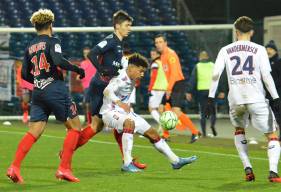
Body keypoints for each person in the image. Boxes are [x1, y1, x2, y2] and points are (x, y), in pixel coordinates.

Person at [6, 9, 85, 183]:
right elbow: (58, 60)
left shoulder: (30, 47)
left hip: (38, 92)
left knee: (34, 131)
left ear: (36, 27)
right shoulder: (53, 41)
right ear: (50, 25)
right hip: (55, 89)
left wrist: (39, 80)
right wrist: (77, 69)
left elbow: (25, 74)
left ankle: (14, 167)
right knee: (75, 127)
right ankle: (64, 168)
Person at [206, 16, 281, 182]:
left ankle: (248, 168)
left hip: (236, 100)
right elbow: (266, 76)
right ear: (252, 32)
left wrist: (210, 98)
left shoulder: (225, 50)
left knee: (239, 131)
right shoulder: (260, 49)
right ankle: (273, 172)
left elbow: (216, 74)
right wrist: (276, 98)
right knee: (272, 135)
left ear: (236, 31)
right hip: (256, 99)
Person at [71, 10, 146, 169]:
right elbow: (92, 53)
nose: (129, 28)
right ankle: (67, 151)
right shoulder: (111, 40)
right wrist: (101, 69)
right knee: (96, 126)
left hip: (108, 86)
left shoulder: (119, 44)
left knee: (120, 124)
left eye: (130, 25)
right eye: (127, 25)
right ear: (117, 26)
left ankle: (128, 160)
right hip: (100, 87)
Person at [100, 53, 197, 172]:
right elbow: (107, 91)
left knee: (153, 133)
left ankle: (175, 161)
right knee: (129, 123)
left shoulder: (129, 68)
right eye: (140, 71)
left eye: (144, 71)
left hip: (124, 113)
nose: (142, 74)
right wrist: (120, 103)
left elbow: (126, 60)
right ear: (132, 68)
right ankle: (127, 163)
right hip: (110, 112)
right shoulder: (121, 78)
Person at [155, 34, 201, 143]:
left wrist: (169, 89)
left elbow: (175, 74)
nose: (158, 44)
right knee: (161, 108)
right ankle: (166, 135)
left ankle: (195, 132)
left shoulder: (171, 55)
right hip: (171, 85)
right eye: (156, 42)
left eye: (160, 42)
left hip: (177, 84)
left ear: (165, 43)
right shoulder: (162, 56)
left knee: (176, 110)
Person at [186, 51, 218, 137]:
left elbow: (193, 79)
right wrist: (220, 90)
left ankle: (204, 133)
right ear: (207, 57)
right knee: (213, 112)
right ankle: (212, 125)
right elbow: (217, 78)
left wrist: (189, 91)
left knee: (203, 113)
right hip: (211, 90)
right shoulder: (213, 65)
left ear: (200, 57)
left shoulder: (198, 66)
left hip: (201, 91)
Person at [265, 40, 281, 140]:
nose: (268, 51)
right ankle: (273, 139)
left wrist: (273, 87)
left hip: (278, 94)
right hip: (268, 95)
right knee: (270, 118)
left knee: (279, 116)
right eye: (267, 49)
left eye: (270, 49)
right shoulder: (265, 62)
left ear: (275, 51)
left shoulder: (279, 61)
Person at [148, 48, 168, 124]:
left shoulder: (155, 64)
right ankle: (163, 130)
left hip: (156, 89)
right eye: (151, 54)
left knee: (152, 109)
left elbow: (153, 77)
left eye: (153, 54)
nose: (152, 56)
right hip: (165, 89)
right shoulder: (164, 63)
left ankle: (163, 124)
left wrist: (150, 88)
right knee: (161, 110)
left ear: (158, 55)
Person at [79, 47, 96, 125]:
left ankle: (90, 121)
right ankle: (88, 121)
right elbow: (81, 75)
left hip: (95, 86)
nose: (86, 55)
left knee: (89, 104)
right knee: (86, 104)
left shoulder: (95, 62)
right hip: (86, 87)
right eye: (84, 53)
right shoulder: (83, 63)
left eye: (87, 53)